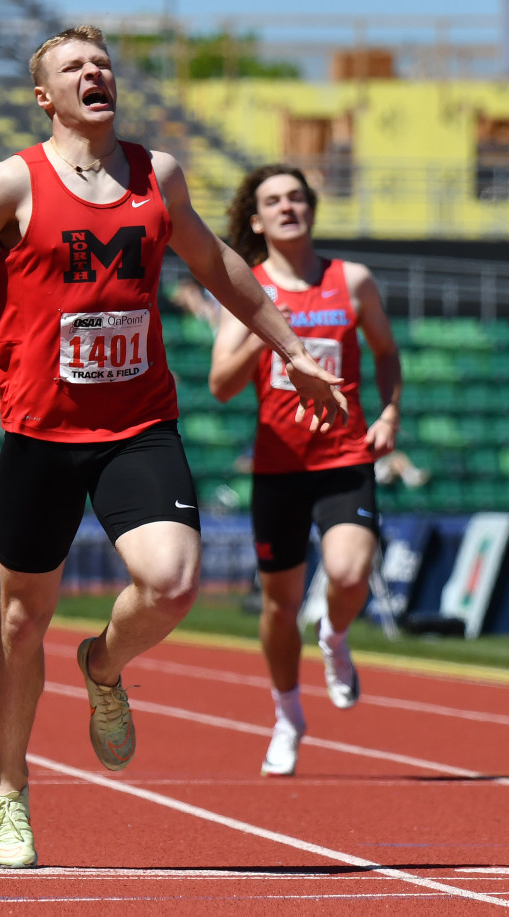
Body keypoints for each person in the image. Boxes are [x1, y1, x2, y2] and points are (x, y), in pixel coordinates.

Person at [0, 26, 346, 869]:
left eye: (102, 65)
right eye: (74, 68)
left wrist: (291, 349)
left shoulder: (160, 176)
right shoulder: (10, 184)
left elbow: (219, 265)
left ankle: (103, 665)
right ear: (45, 96)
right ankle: (10, 787)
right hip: (41, 433)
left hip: (138, 425)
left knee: (173, 580)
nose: (94, 75)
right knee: (18, 618)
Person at [208, 163, 402, 778]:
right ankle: (288, 714)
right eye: (274, 200)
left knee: (349, 572)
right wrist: (258, 325)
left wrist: (391, 410)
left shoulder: (354, 281)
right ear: (257, 219)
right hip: (279, 466)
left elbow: (385, 352)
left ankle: (336, 639)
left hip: (344, 455)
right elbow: (220, 387)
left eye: (297, 196)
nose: (288, 206)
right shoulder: (244, 289)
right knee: (278, 605)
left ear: (311, 209)